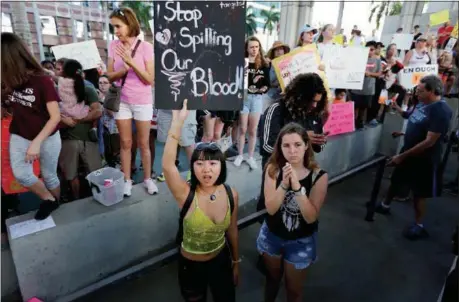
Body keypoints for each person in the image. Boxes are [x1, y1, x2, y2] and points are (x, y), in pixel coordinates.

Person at [163, 100, 240, 302]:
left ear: (222, 167)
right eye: (200, 164)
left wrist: (236, 261)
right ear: (192, 168)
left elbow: (232, 229)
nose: (206, 169)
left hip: (221, 261)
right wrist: (177, 123)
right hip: (191, 268)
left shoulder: (232, 193)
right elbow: (168, 166)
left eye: (213, 163)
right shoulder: (185, 193)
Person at [375, 75, 453, 240]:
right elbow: (412, 118)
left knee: (419, 193)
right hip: (409, 150)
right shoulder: (422, 103)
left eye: (421, 91)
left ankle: (419, 225)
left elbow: (429, 141)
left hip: (425, 159)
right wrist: (402, 126)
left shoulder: (441, 111)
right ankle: (384, 205)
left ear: (432, 91)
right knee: (396, 181)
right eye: (417, 90)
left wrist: (402, 156)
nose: (417, 93)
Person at [257, 122, 328, 302]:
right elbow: (271, 208)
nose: (292, 150)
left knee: (294, 290)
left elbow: (311, 217)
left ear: (306, 145)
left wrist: (297, 188)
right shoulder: (272, 169)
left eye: (297, 144)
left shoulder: (319, 176)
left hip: (301, 242)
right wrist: (284, 185)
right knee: (272, 281)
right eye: (286, 145)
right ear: (280, 148)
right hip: (272, 236)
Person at [1, 32, 61, 220]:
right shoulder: (7, 80)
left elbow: (55, 117)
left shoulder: (42, 80)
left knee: (49, 175)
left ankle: (57, 205)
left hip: (47, 136)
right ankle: (49, 200)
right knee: (21, 174)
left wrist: (36, 143)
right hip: (19, 134)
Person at [107, 7, 157, 196]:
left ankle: (147, 179)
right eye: (113, 27)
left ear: (130, 24)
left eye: (118, 26)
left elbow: (149, 80)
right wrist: (124, 70)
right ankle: (126, 180)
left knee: (144, 143)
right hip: (122, 102)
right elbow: (110, 76)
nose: (116, 31)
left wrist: (131, 62)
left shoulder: (146, 47)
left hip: (142, 101)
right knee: (126, 143)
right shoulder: (113, 46)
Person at [260, 73, 328, 170]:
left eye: (317, 101)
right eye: (311, 101)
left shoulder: (315, 112)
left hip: (302, 173)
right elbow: (267, 146)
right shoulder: (277, 109)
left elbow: (317, 148)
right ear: (300, 96)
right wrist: (300, 138)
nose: (314, 105)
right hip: (277, 174)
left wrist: (320, 140)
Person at [234, 36, 270, 169]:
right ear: (247, 48)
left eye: (256, 47)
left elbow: (267, 84)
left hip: (257, 99)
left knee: (253, 130)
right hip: (244, 98)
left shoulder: (265, 64)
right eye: (251, 47)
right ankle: (240, 155)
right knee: (242, 128)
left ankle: (250, 157)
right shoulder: (242, 62)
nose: (254, 49)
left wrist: (263, 88)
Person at [350, 41, 382, 129]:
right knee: (354, 107)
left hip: (369, 88)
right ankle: (351, 123)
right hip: (356, 87)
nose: (369, 51)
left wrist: (370, 74)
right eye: (367, 49)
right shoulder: (358, 59)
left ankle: (360, 122)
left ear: (375, 50)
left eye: (371, 49)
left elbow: (379, 74)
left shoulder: (378, 60)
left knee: (364, 107)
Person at [266, 41, 290, 107]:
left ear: (284, 51)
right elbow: (269, 80)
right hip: (270, 95)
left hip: (284, 96)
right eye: (276, 49)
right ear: (273, 53)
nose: (278, 51)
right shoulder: (269, 64)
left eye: (281, 49)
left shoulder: (289, 63)